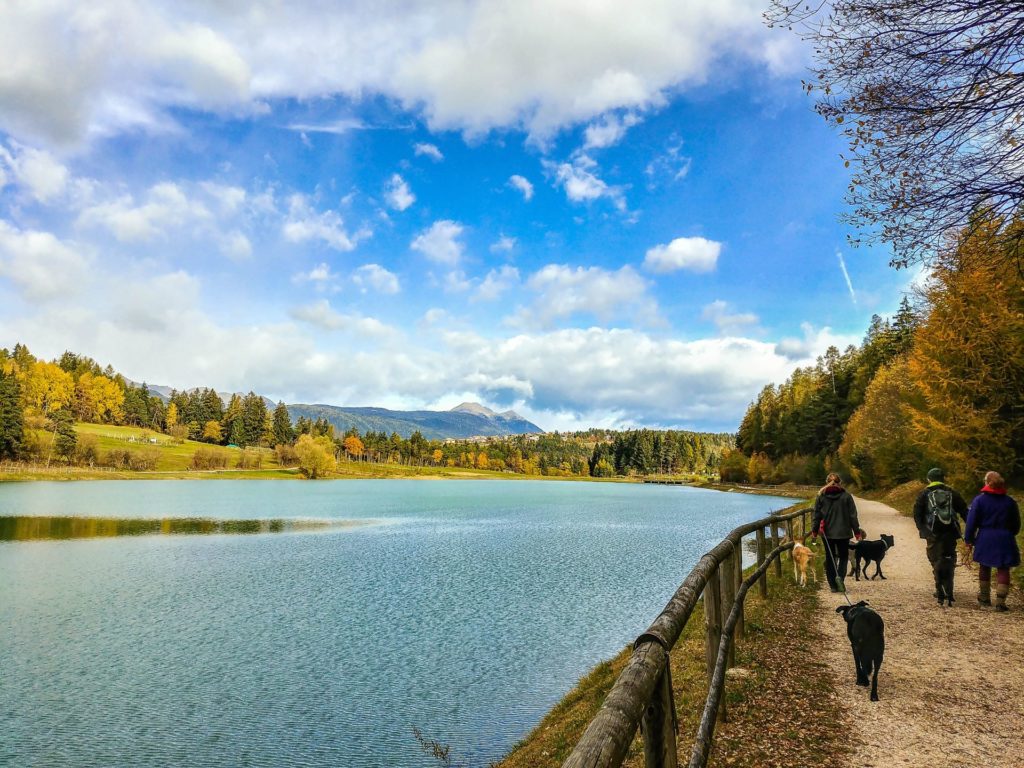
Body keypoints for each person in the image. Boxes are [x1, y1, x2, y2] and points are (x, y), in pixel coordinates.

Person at [964, 471, 1021, 612]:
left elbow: (971, 523)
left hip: (985, 537)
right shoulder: (1010, 502)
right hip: (1005, 537)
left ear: (986, 482)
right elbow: (1016, 524)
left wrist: (969, 540)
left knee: (984, 566)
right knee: (1003, 568)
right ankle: (1000, 602)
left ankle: (984, 599)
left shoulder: (979, 500)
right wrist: (1008, 533)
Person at [912, 467, 968, 600]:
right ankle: (949, 585)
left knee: (935, 557)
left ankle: (940, 585)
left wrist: (923, 530)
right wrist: (970, 529)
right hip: (950, 531)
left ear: (928, 479)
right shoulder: (952, 492)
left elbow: (917, 513)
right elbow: (964, 510)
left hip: (933, 532)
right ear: (943, 479)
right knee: (949, 556)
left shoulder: (924, 493)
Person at [809, 473, 863, 593]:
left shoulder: (821, 496)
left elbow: (816, 516)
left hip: (827, 533)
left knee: (830, 557)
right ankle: (841, 580)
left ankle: (832, 584)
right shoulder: (847, 496)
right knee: (843, 557)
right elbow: (853, 516)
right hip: (843, 532)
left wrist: (814, 531)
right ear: (840, 482)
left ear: (826, 482)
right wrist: (857, 532)